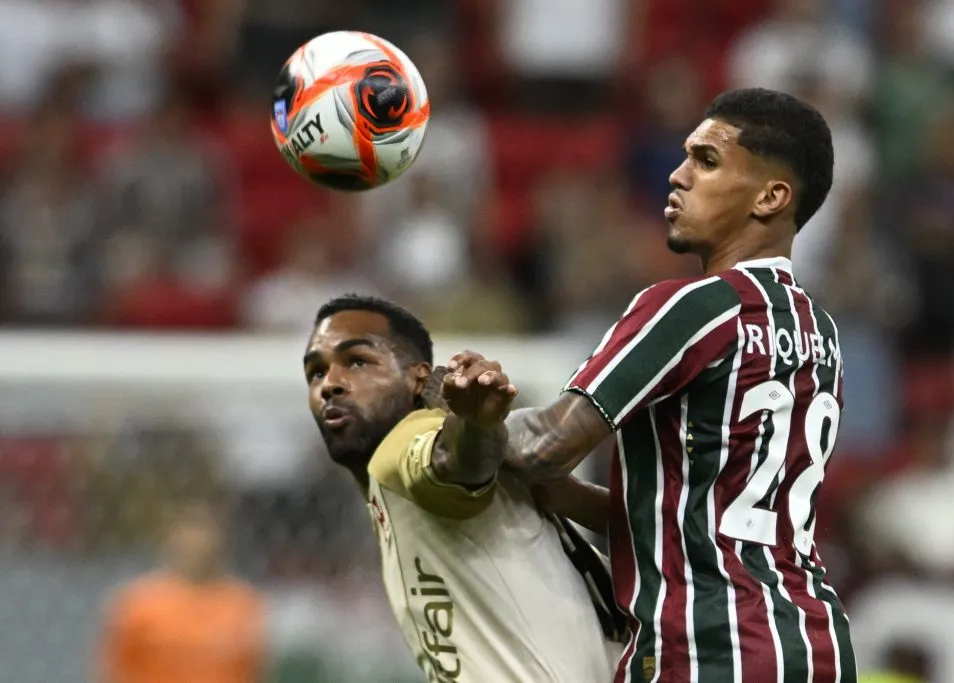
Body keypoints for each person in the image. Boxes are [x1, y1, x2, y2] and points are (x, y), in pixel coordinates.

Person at [479, 87, 857, 681]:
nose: (677, 177)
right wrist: (558, 495)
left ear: (772, 197)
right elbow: (710, 520)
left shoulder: (695, 307)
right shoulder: (822, 333)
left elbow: (545, 445)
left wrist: (456, 418)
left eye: (706, 161)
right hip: (813, 648)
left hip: (707, 649)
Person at [301, 294, 621, 683]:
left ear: (418, 379)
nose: (330, 384)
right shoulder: (385, 494)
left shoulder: (399, 445)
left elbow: (454, 462)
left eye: (357, 362)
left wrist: (477, 425)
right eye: (316, 373)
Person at [98, 498, 266, 683]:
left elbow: (253, 669)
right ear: (170, 539)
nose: (198, 543)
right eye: (189, 532)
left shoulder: (242, 602)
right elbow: (114, 669)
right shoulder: (138, 602)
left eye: (205, 532)